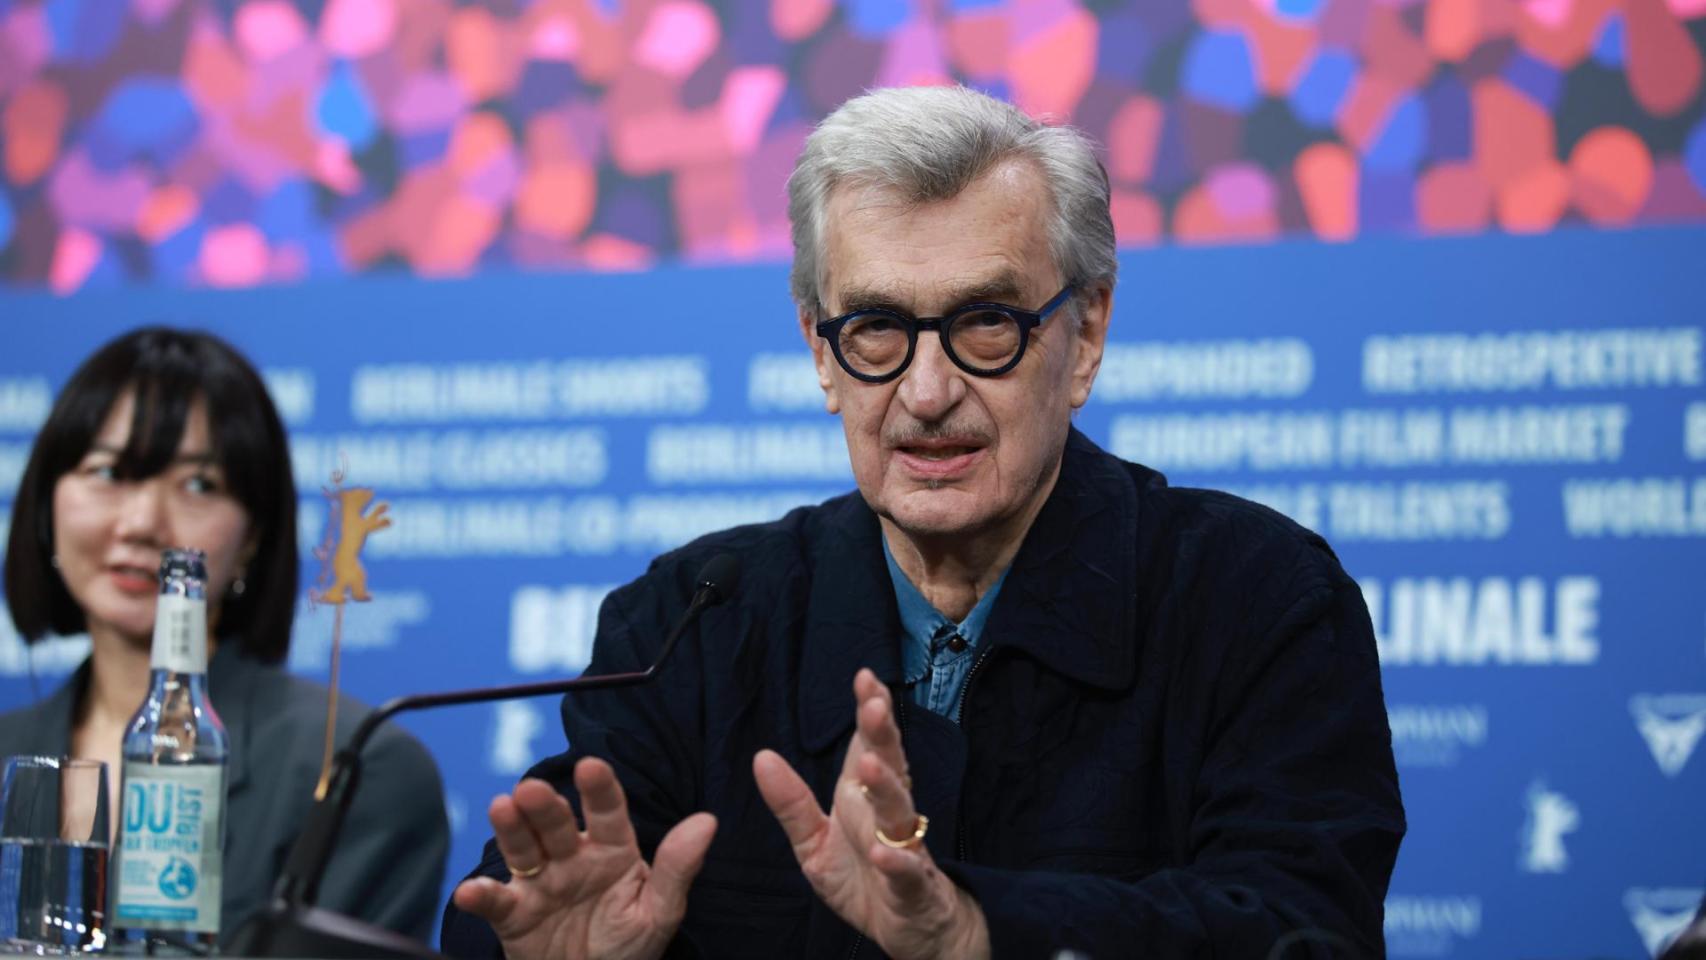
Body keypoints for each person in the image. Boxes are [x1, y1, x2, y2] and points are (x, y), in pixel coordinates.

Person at [441, 86, 1405, 959]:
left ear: (1086, 333)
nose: (928, 391)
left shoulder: (1257, 597)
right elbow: (537, 902)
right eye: (877, 329)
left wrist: (977, 933)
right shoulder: (689, 621)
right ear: (820, 351)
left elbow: (1305, 928)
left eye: (987, 322)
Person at [0, 327, 450, 944]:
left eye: (198, 485)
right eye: (109, 472)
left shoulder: (353, 772)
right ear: (46, 504)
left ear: (252, 541)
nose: (142, 522)